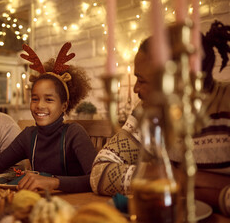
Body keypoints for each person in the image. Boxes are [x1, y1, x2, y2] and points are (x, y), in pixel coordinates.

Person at [90, 20, 230, 215]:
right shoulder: (147, 111)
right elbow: (99, 172)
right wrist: (186, 180)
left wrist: (168, 180)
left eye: (142, 80)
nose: (136, 89)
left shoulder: (226, 104)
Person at [0, 42, 97, 193]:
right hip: (40, 204)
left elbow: (96, 178)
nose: (39, 105)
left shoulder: (74, 133)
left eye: (49, 99)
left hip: (76, 205)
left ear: (64, 106)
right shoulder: (29, 136)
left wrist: (54, 183)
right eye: (35, 98)